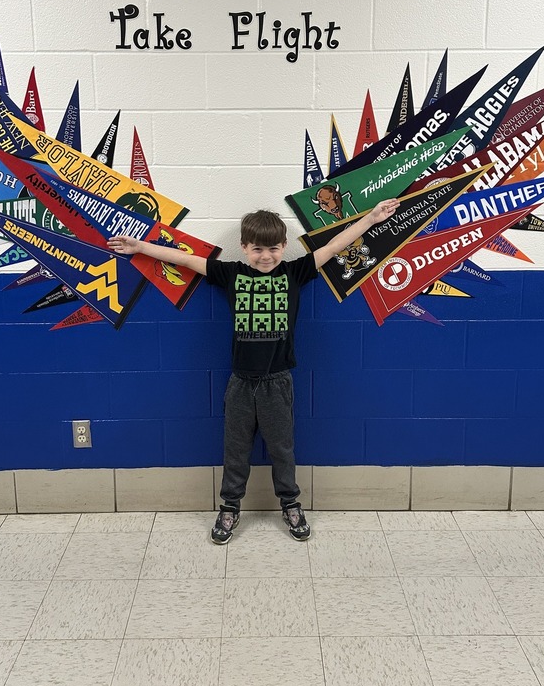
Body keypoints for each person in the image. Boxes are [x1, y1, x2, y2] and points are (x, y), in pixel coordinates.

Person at [108, 198, 398, 544]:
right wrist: (140, 247)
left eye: (273, 248)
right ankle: (230, 508)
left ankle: (290, 503)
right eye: (257, 249)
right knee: (235, 450)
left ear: (284, 247)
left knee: (282, 450)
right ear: (244, 248)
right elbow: (185, 259)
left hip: (278, 382)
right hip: (241, 382)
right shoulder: (231, 273)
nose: (266, 256)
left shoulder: (295, 272)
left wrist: (373, 218)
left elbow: (335, 245)